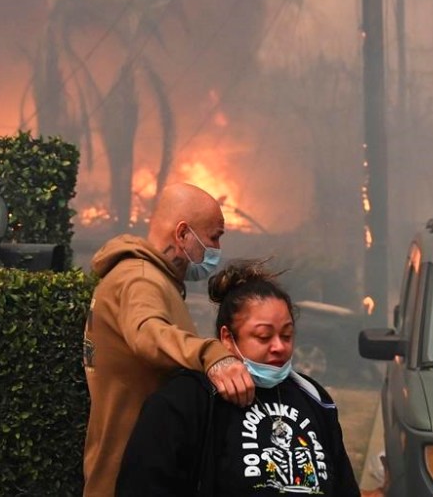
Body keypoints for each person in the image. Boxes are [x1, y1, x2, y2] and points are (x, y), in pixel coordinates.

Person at [116, 259, 361, 496]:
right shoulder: (187, 399)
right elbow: (142, 485)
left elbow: (344, 485)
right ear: (227, 338)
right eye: (263, 336)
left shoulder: (314, 398)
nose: (279, 347)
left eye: (287, 335)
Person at [83, 182, 255, 497]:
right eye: (214, 236)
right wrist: (212, 355)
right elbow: (147, 333)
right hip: (130, 480)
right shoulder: (141, 278)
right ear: (182, 234)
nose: (217, 248)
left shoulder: (146, 277)